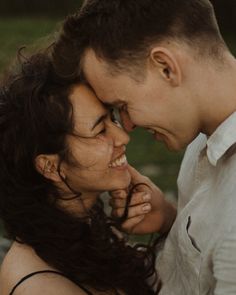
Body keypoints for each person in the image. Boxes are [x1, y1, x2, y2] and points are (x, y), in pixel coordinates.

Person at [51, 0, 236, 294]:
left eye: (122, 106)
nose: (126, 127)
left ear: (165, 67)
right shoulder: (202, 136)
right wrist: (170, 220)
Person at [0, 51, 160, 295]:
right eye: (99, 131)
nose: (123, 137)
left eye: (112, 119)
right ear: (50, 166)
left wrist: (166, 216)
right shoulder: (39, 287)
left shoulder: (89, 228)